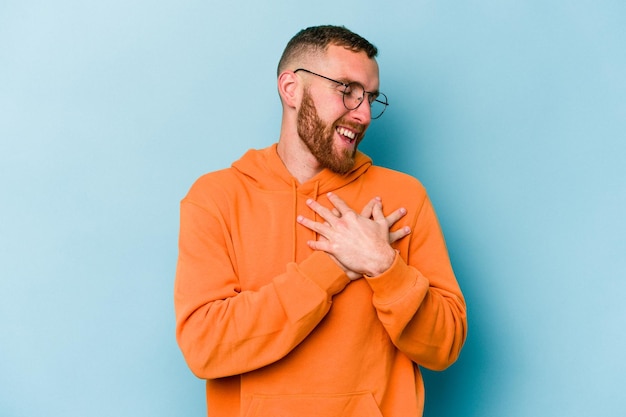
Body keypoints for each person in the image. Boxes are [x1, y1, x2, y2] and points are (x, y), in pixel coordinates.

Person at [174, 25, 467, 417]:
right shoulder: (216, 198)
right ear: (291, 89)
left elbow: (444, 346)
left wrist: (384, 265)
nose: (363, 114)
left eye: (370, 98)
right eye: (347, 90)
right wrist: (331, 267)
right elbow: (204, 348)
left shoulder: (403, 198)